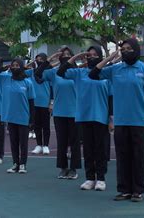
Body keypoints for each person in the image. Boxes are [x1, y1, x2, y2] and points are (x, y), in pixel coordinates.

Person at [89, 38, 144, 202]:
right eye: (123, 49)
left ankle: (138, 190)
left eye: (128, 48)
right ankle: (124, 190)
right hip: (121, 121)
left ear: (136, 50)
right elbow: (93, 74)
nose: (125, 51)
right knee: (123, 156)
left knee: (139, 157)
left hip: (139, 121)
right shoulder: (115, 69)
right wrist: (110, 58)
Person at [58, 46, 111, 190]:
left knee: (100, 149)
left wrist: (111, 118)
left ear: (100, 56)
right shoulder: (79, 73)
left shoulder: (105, 74)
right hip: (83, 116)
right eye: (89, 55)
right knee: (88, 149)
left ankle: (100, 178)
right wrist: (76, 57)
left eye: (95, 55)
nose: (91, 57)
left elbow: (111, 97)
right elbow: (60, 71)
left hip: (101, 116)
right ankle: (89, 178)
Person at [40, 47, 81, 180]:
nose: (66, 56)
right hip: (59, 112)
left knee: (74, 142)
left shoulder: (77, 72)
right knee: (61, 142)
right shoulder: (54, 72)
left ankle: (74, 169)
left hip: (75, 112)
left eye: (69, 54)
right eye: (63, 55)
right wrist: (51, 58)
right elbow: (39, 74)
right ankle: (63, 168)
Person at [0, 58, 35, 173]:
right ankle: (15, 164)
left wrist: (31, 119)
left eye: (17, 65)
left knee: (23, 143)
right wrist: (5, 67)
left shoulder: (27, 82)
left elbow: (31, 102)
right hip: (11, 116)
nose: (14, 67)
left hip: (23, 116)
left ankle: (23, 164)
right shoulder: (6, 79)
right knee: (13, 142)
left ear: (21, 66)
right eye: (12, 65)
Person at [28, 53, 52, 155]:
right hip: (35, 103)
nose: (39, 61)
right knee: (36, 125)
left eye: (42, 59)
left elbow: (52, 88)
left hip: (45, 103)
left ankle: (46, 145)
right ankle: (38, 145)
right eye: (37, 59)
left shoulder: (49, 72)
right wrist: (31, 63)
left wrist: (51, 102)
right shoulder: (32, 72)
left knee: (46, 126)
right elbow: (23, 68)